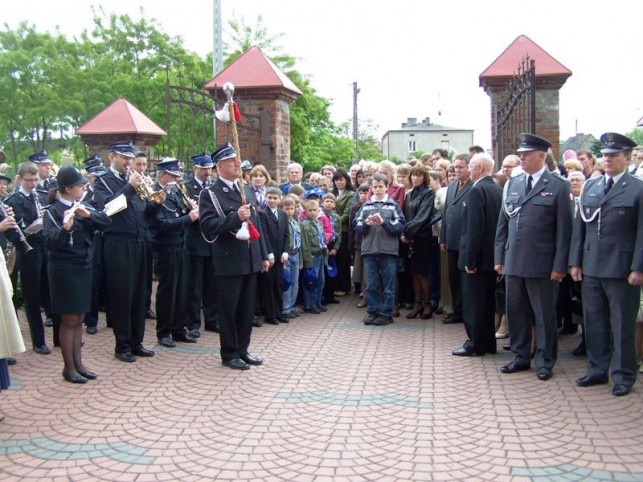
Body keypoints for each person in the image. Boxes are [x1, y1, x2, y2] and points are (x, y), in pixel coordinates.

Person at [495, 133, 573, 381]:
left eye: (526, 154)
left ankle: (545, 359)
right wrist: (500, 257)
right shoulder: (514, 183)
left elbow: (564, 231)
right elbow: (503, 225)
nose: (522, 158)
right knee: (516, 312)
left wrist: (560, 265)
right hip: (514, 261)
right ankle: (520, 356)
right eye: (520, 154)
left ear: (541, 156)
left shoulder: (558, 186)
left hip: (542, 263)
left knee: (544, 315)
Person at [571, 132, 642, 397]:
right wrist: (575, 262)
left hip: (622, 268)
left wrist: (638, 267)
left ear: (626, 157)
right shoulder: (592, 186)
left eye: (614, 156)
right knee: (594, 321)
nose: (608, 160)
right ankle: (597, 369)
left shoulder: (637, 188)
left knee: (622, 323)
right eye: (605, 155)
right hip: (591, 266)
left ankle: (623, 375)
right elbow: (581, 227)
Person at [199, 143, 269, 370]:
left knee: (246, 309)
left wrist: (263, 254)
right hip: (229, 259)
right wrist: (235, 218)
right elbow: (208, 226)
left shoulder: (245, 188)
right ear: (219, 166)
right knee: (229, 310)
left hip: (249, 258)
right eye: (231, 160)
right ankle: (229, 353)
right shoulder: (210, 193)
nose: (237, 163)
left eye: (237, 159)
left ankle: (242, 349)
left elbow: (257, 224)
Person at [93, 141, 164, 363]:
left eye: (131, 158)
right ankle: (122, 344)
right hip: (118, 243)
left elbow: (145, 213)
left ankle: (137, 341)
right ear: (112, 157)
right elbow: (107, 209)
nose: (129, 162)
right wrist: (129, 188)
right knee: (122, 295)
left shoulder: (135, 181)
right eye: (125, 158)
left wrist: (157, 203)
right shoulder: (103, 181)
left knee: (140, 293)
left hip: (140, 242)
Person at [43, 166, 110, 383]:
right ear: (68, 188)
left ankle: (79, 364)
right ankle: (68, 367)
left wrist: (87, 214)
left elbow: (105, 221)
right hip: (64, 270)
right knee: (69, 318)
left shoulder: (82, 206)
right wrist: (65, 228)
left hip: (83, 266)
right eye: (79, 185)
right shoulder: (52, 211)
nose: (83, 187)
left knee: (79, 317)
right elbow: (51, 242)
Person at [452, 154, 502, 357]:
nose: (469, 170)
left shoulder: (477, 190)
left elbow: (474, 229)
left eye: (471, 166)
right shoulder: (497, 189)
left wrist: (470, 260)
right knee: (487, 303)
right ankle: (488, 342)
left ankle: (475, 343)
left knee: (473, 304)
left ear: (479, 167)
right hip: (491, 257)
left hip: (477, 259)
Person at [149, 158, 198, 347]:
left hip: (181, 245)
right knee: (168, 291)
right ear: (162, 175)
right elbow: (161, 225)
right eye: (173, 175)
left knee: (182, 289)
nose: (177, 179)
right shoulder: (155, 194)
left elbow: (180, 213)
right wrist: (188, 218)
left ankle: (178, 328)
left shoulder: (176, 192)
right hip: (166, 247)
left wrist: (190, 209)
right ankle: (163, 332)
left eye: (178, 175)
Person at [4, 162, 53, 354]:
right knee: (32, 296)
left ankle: (58, 336)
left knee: (50, 291)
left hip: (46, 247)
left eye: (35, 180)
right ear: (19, 179)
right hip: (28, 251)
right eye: (29, 181)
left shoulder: (42, 195)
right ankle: (38, 340)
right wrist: (26, 231)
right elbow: (11, 231)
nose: (33, 184)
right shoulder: (12, 201)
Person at [355, 173, 406, 326]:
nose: (377, 190)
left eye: (380, 187)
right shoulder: (366, 206)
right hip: (369, 250)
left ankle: (386, 313)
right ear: (371, 188)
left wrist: (384, 223)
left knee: (388, 284)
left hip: (388, 250)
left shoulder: (393, 205)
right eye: (375, 187)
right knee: (371, 284)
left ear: (387, 187)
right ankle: (372, 311)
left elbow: (400, 226)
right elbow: (356, 225)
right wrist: (366, 224)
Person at [184, 152, 219, 338]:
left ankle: (212, 320)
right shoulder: (186, 188)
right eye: (203, 168)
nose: (207, 172)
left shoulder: (213, 187)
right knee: (194, 286)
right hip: (195, 242)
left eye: (209, 168)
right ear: (195, 168)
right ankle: (193, 323)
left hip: (212, 241)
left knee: (211, 285)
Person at [400, 165, 439, 319]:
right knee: (413, 273)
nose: (416, 178)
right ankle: (417, 303)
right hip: (411, 238)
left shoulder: (428, 192)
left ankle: (427, 303)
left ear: (425, 177)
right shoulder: (409, 194)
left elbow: (422, 217)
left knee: (422, 272)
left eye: (419, 175)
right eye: (413, 175)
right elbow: (407, 216)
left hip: (422, 237)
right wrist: (406, 234)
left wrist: (408, 234)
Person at [440, 154, 472, 325]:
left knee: (464, 279)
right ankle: (457, 310)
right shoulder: (452, 186)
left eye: (461, 167)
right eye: (455, 167)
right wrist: (443, 238)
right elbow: (447, 213)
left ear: (469, 168)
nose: (457, 170)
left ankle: (466, 311)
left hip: (465, 242)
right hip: (451, 241)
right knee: (452, 278)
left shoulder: (474, 186)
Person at [258, 187, 289, 325]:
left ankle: (279, 312)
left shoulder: (282, 214)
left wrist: (285, 251)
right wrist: (268, 254)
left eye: (275, 198)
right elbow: (263, 235)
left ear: (279, 199)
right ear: (265, 198)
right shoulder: (262, 214)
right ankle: (270, 315)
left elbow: (286, 234)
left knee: (279, 285)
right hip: (270, 256)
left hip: (280, 255)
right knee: (269, 285)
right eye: (269, 197)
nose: (272, 200)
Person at [300, 198, 328, 314]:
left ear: (318, 211)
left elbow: (323, 240)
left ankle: (317, 302)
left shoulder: (319, 223)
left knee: (321, 280)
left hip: (320, 254)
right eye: (310, 210)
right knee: (311, 281)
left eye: (315, 210)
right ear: (305, 211)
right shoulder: (305, 225)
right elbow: (305, 245)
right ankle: (310, 304)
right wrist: (308, 261)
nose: (312, 212)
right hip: (312, 256)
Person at [331, 168, 354, 297]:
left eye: (341, 180)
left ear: (346, 180)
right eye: (336, 180)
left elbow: (347, 214)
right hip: (331, 232)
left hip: (343, 231)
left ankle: (344, 286)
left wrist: (332, 222)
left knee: (343, 259)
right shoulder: (332, 194)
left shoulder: (350, 194)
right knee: (334, 259)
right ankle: (335, 285)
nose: (338, 182)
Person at [281, 196, 302, 319]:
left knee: (295, 283)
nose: (289, 211)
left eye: (291, 208)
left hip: (296, 254)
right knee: (287, 283)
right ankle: (286, 308)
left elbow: (300, 241)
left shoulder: (295, 222)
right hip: (287, 255)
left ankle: (292, 306)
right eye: (286, 208)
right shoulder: (282, 223)